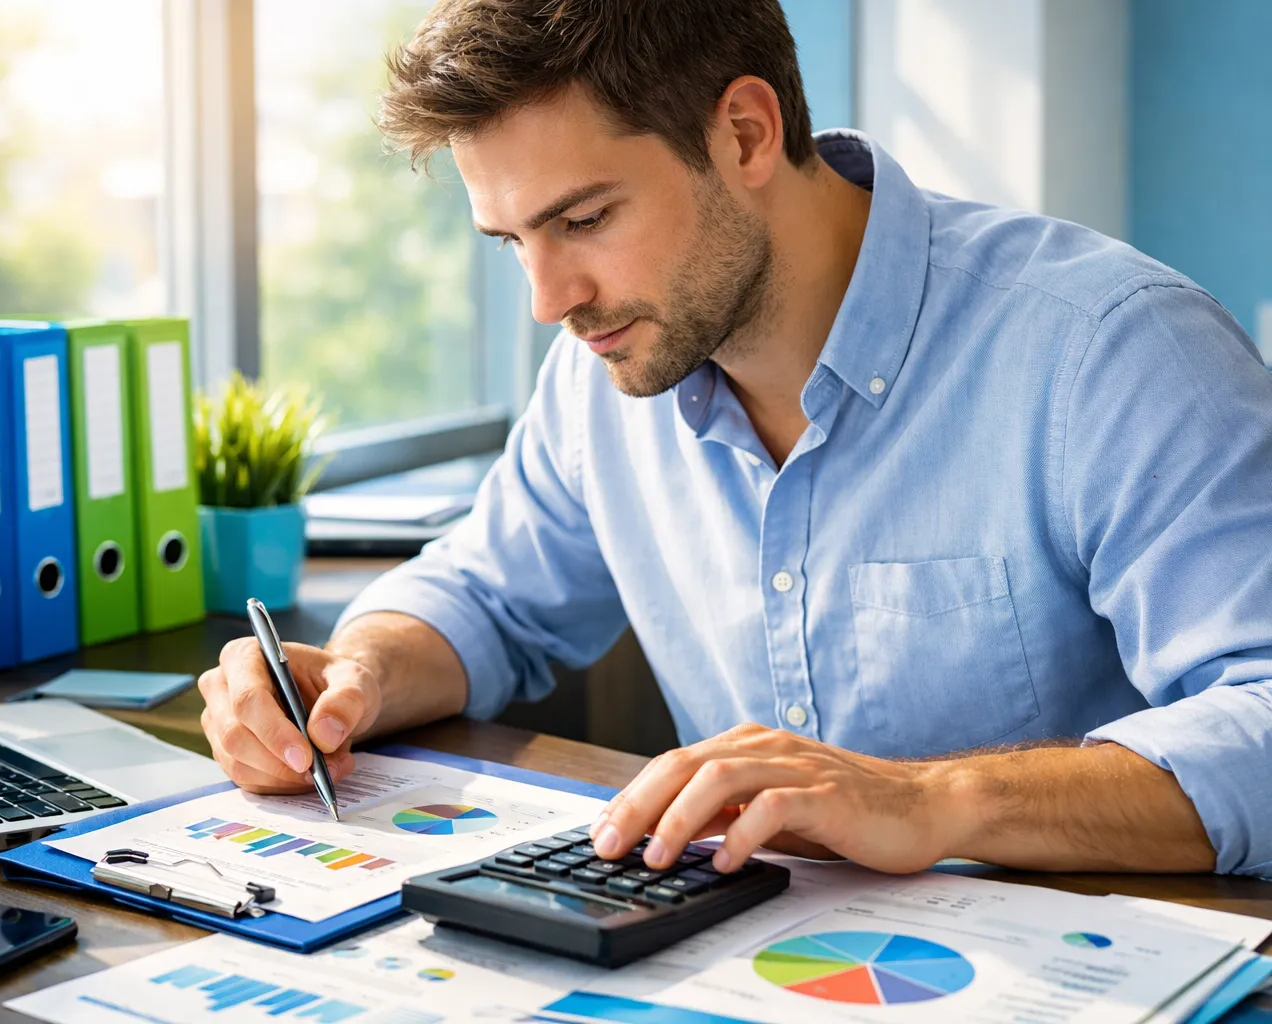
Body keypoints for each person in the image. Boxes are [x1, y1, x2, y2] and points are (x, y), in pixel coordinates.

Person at [199, 0, 1272, 880]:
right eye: (511, 241)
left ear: (747, 133)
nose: (547, 299)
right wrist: (351, 676)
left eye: (582, 220)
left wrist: (930, 797)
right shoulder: (603, 368)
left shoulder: (1111, 351)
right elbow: (485, 597)